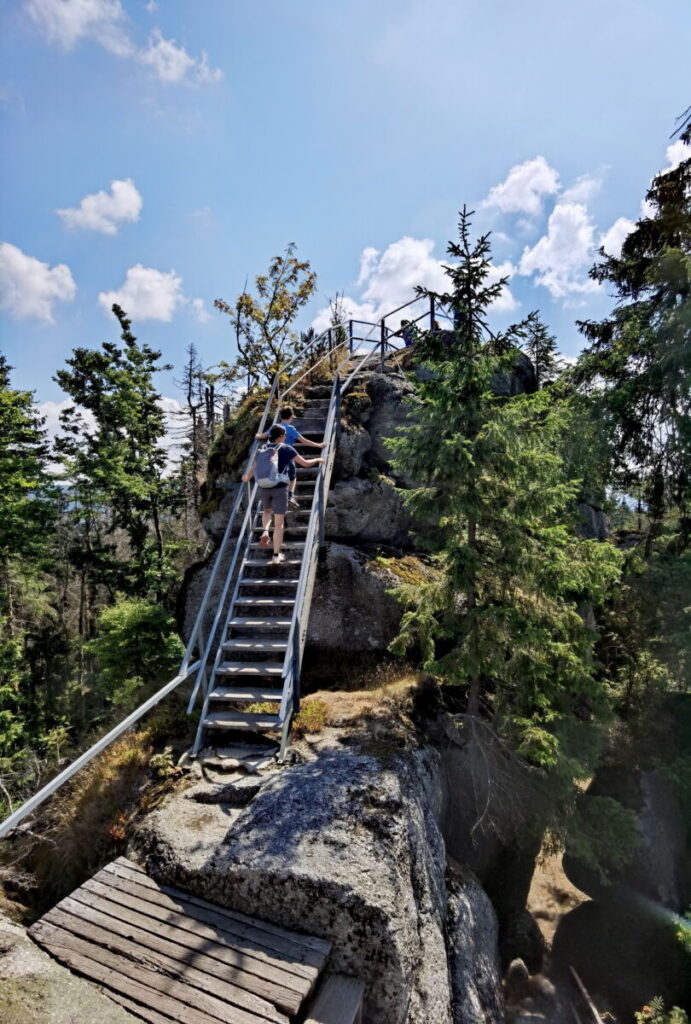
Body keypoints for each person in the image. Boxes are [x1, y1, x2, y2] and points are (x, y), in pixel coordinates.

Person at [243, 424, 325, 564]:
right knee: (279, 524)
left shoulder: (262, 449)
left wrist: (246, 477)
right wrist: (318, 460)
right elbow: (305, 464)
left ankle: (265, 530)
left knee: (267, 511)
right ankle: (276, 555)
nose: (285, 437)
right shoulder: (287, 448)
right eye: (284, 435)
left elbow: (254, 467)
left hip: (264, 486)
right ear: (280, 437)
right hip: (280, 488)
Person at [255, 405, 326, 510]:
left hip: (273, 457)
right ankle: (289, 495)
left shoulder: (275, 427)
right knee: (293, 478)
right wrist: (319, 445)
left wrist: (258, 436)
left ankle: (274, 499)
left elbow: (263, 435)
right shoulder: (290, 429)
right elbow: (303, 441)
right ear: (291, 417)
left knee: (277, 475)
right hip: (288, 456)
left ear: (281, 416)